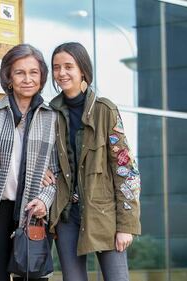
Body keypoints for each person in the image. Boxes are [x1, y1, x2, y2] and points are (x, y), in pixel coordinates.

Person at [44, 42, 141, 281]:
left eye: (69, 66)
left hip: (104, 214)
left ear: (83, 70)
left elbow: (125, 169)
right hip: (67, 214)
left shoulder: (105, 110)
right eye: (57, 67)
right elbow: (43, 157)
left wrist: (126, 225)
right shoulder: (50, 113)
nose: (62, 73)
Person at [0, 44, 60, 281]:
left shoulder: (52, 117)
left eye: (34, 72)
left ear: (42, 77)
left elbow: (60, 173)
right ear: (8, 77)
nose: (27, 79)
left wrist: (45, 199)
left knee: (32, 277)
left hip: (32, 211)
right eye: (20, 72)